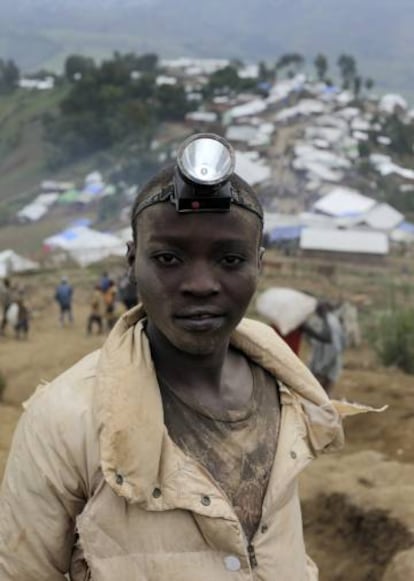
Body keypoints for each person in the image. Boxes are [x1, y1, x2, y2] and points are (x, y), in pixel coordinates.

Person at [0, 133, 358, 580]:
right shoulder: (66, 420)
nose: (200, 284)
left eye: (229, 260)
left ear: (259, 264)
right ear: (132, 262)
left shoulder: (287, 392)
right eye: (168, 258)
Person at [308, 303, 347, 395]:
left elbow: (334, 347)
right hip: (329, 363)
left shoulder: (329, 322)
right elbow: (343, 342)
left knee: (319, 395)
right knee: (324, 394)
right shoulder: (329, 321)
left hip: (325, 364)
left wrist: (321, 367)